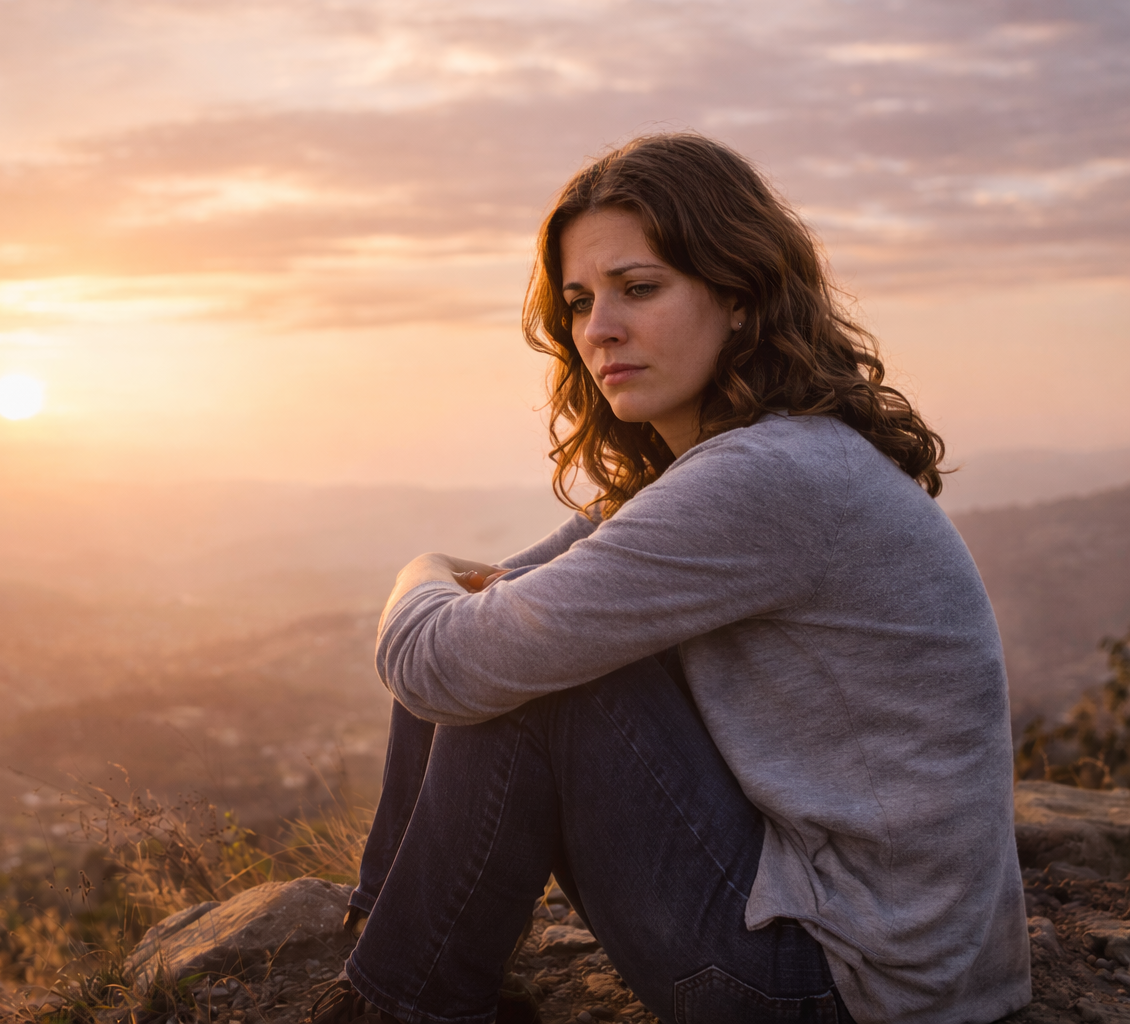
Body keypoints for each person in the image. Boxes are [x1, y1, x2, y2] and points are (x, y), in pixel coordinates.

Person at [306, 134, 1030, 1024]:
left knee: (529, 673)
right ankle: (397, 960)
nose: (599, 328)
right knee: (519, 640)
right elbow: (503, 607)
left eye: (639, 289)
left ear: (738, 294)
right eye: (579, 302)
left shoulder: (765, 478)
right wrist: (464, 607)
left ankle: (403, 998)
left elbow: (443, 659)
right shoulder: (738, 466)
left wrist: (420, 572)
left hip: (839, 988)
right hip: (889, 962)